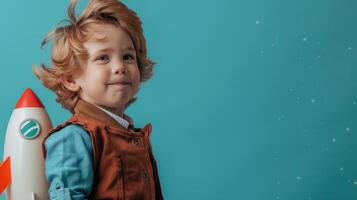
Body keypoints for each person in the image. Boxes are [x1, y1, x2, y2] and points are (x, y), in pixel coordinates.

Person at [33, 0, 163, 199]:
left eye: (128, 56)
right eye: (103, 58)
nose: (120, 66)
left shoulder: (132, 136)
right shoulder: (74, 137)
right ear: (70, 79)